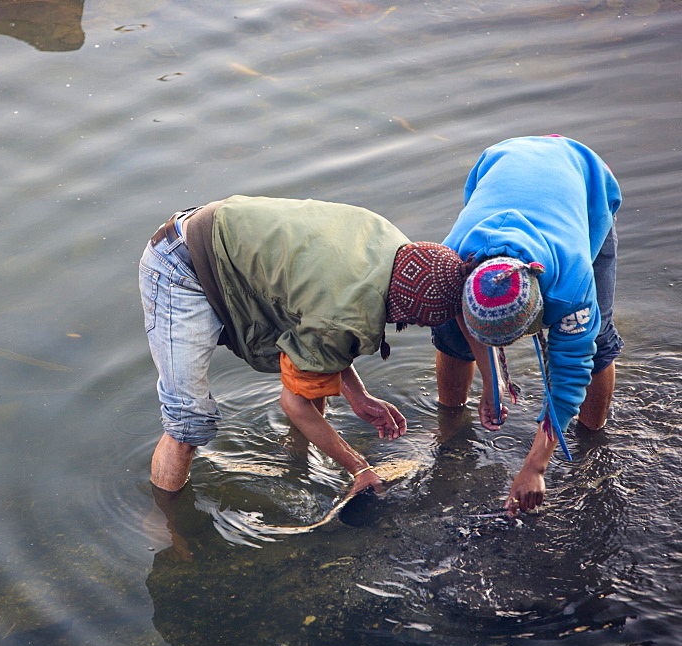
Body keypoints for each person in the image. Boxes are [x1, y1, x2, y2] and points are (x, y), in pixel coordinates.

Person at [139, 195, 470, 496]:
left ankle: (296, 463)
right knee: (188, 422)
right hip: (180, 268)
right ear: (404, 309)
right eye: (413, 321)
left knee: (313, 379)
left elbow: (325, 334)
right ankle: (169, 529)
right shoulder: (342, 315)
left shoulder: (395, 247)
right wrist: (360, 468)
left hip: (227, 238)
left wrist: (358, 396)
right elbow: (297, 396)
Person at [431, 136, 623, 516]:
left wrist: (535, 467)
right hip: (501, 161)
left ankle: (591, 441)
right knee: (451, 337)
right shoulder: (453, 260)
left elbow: (571, 374)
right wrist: (493, 384)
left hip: (585, 185)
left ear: (542, 309)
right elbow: (460, 319)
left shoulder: (571, 284)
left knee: (596, 344)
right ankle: (449, 427)